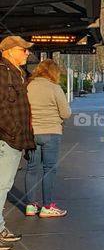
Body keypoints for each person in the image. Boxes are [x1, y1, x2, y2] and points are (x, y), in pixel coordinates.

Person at [0, 35, 35, 250]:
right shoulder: (3, 73)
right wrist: (13, 131)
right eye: (24, 49)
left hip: (13, 139)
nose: (27, 53)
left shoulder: (16, 74)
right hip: (6, 140)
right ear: (10, 50)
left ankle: (1, 227)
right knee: (1, 186)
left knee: (4, 185)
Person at [25, 59, 71, 218]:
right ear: (54, 72)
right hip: (51, 133)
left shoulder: (28, 86)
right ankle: (47, 206)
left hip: (32, 133)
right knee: (49, 169)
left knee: (31, 169)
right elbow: (65, 114)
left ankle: (30, 206)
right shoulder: (55, 88)